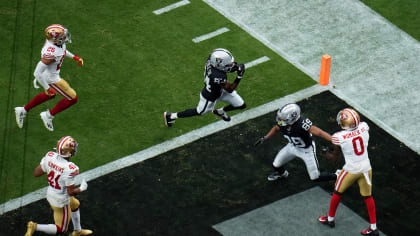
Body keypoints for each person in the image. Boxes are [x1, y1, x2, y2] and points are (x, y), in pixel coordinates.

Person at [318, 108, 378, 235]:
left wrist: (325, 153)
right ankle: (373, 228)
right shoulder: (364, 126)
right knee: (368, 196)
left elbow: (334, 158)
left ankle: (330, 219)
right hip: (366, 167)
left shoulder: (338, 137)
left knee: (337, 192)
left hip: (351, 169)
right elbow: (360, 132)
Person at [15, 24, 84, 131]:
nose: (65, 38)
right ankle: (48, 116)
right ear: (55, 39)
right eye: (63, 37)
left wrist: (75, 57)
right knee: (72, 98)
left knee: (50, 96)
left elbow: (62, 51)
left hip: (52, 75)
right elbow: (37, 73)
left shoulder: (56, 43)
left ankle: (23, 110)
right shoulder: (51, 54)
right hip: (51, 78)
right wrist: (47, 87)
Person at [25, 136, 92, 236]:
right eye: (73, 148)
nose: (75, 149)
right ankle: (34, 226)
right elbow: (71, 192)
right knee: (61, 229)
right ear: (68, 152)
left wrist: (50, 166)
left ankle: (78, 231)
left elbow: (36, 173)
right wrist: (82, 188)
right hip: (61, 199)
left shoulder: (50, 156)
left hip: (51, 192)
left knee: (75, 204)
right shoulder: (70, 168)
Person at [164, 48, 246, 127]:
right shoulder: (217, 76)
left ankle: (220, 111)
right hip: (210, 96)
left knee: (241, 105)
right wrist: (239, 76)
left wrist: (235, 67)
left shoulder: (211, 60)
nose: (231, 65)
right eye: (229, 64)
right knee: (199, 112)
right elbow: (230, 89)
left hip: (220, 89)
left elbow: (224, 67)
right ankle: (171, 116)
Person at [254, 103, 337, 182]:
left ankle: (337, 175)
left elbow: (319, 132)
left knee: (315, 177)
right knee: (276, 165)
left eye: (283, 118)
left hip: (306, 151)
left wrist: (334, 140)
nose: (280, 120)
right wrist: (265, 137)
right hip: (292, 147)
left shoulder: (302, 123)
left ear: (292, 118)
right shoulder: (282, 123)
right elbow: (276, 128)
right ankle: (283, 174)